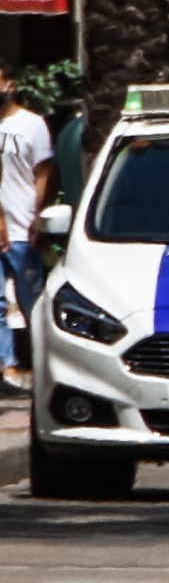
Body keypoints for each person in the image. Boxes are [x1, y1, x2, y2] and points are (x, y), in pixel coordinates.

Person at [0, 58, 56, 392]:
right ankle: (7, 366)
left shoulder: (32, 125)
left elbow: (44, 171)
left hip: (24, 231)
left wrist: (39, 215)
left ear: (10, 84)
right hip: (3, 229)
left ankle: (41, 365)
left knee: (33, 302)